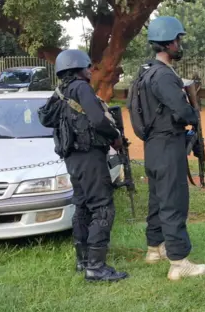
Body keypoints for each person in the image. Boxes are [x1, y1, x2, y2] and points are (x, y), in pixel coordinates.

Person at [128, 16, 205, 281]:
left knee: (157, 198)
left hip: (152, 146)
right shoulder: (164, 75)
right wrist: (193, 115)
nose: (180, 45)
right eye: (178, 40)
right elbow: (183, 111)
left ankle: (155, 248)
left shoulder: (145, 72)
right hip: (168, 144)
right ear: (169, 42)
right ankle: (178, 261)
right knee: (173, 200)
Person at [39, 49, 128, 282]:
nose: (91, 71)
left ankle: (83, 259)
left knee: (82, 206)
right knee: (102, 206)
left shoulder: (61, 92)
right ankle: (96, 267)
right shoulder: (81, 88)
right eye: (88, 67)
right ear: (78, 68)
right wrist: (115, 136)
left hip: (73, 159)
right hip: (89, 156)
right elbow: (98, 119)